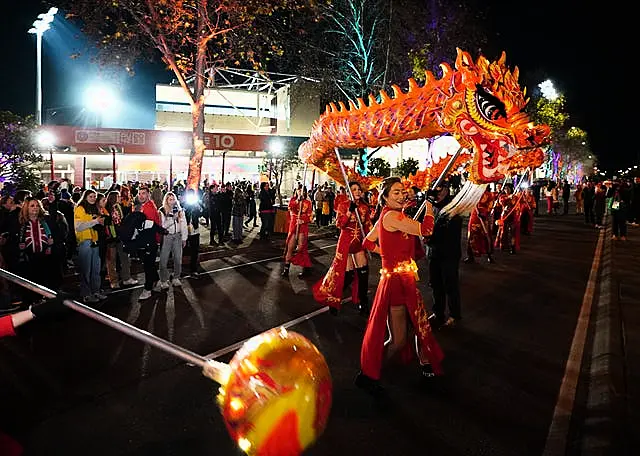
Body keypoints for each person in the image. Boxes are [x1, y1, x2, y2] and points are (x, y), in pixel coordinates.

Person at [355, 177, 443, 396]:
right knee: (402, 336)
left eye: (402, 191)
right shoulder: (392, 216)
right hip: (397, 282)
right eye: (395, 192)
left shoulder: (390, 215)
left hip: (401, 279)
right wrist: (430, 206)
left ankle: (372, 372)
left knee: (405, 334)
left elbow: (367, 241)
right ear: (384, 197)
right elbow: (427, 229)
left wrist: (385, 252)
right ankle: (370, 372)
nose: (402, 194)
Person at [313, 181, 373, 315]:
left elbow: (368, 225)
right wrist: (349, 211)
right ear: (349, 192)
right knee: (347, 276)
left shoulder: (364, 207)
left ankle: (363, 303)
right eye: (354, 190)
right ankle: (333, 300)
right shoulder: (343, 205)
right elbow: (339, 224)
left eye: (359, 189)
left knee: (363, 273)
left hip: (359, 244)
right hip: (346, 244)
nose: (357, 192)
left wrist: (373, 240)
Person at [427, 180, 464, 328]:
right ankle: (438, 313)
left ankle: (455, 314)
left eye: (440, 189)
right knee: (435, 284)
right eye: (434, 189)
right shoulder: (430, 204)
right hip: (433, 252)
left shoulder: (454, 205)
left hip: (449, 252)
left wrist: (429, 235)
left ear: (446, 190)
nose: (437, 193)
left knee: (450, 285)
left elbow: (444, 225)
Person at [74, 190, 106, 304]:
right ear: (85, 197)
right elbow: (78, 227)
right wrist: (95, 221)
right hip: (85, 241)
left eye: (94, 197)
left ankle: (95, 290)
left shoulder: (95, 208)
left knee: (95, 269)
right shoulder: (80, 209)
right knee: (86, 270)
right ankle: (86, 294)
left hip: (95, 241)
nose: (93, 198)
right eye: (90, 196)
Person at [135, 187, 161, 300]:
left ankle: (148, 289)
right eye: (139, 193)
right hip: (149, 241)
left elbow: (148, 226)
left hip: (149, 241)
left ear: (148, 194)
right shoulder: (145, 206)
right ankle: (155, 280)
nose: (141, 196)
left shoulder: (149, 208)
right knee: (149, 264)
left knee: (148, 266)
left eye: (143, 194)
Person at [282, 185, 314, 278]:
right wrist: (297, 201)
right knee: (290, 247)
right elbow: (291, 207)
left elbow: (310, 216)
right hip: (293, 225)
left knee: (301, 247)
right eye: (298, 190)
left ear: (305, 192)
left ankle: (305, 269)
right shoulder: (293, 200)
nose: (300, 192)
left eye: (302, 191)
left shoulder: (308, 202)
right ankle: (286, 269)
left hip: (303, 226)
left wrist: (303, 220)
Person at [158, 192, 188, 288]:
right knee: (163, 260)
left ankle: (176, 277)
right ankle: (163, 280)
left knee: (178, 259)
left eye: (173, 199)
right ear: (166, 200)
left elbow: (184, 224)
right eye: (169, 199)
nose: (172, 201)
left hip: (177, 236)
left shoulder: (180, 210)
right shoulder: (162, 211)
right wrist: (172, 219)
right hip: (167, 237)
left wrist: (184, 238)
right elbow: (162, 227)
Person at [464, 187, 495, 264]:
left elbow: (490, 206)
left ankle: (489, 255)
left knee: (485, 235)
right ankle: (470, 256)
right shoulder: (474, 193)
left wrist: (484, 213)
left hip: (483, 217)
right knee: (471, 235)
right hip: (474, 216)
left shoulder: (489, 195)